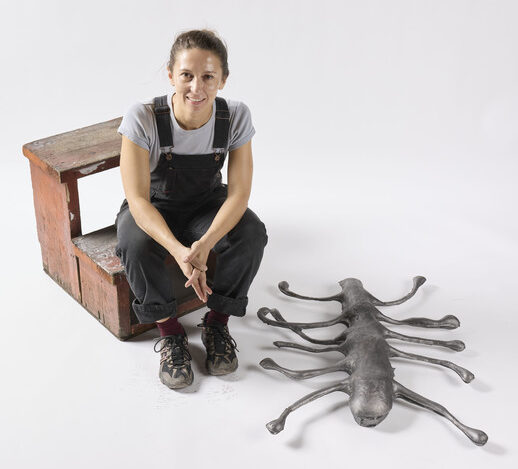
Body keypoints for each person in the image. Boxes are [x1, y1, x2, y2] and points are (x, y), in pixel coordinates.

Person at [114, 29, 268, 390]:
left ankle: (216, 323)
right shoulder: (143, 117)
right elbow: (137, 199)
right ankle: (169, 333)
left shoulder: (235, 116)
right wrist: (180, 251)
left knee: (251, 233)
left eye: (208, 76)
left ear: (223, 80)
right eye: (186, 75)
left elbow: (239, 195)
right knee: (134, 244)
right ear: (171, 75)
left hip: (207, 206)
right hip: (154, 207)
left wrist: (204, 244)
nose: (196, 87)